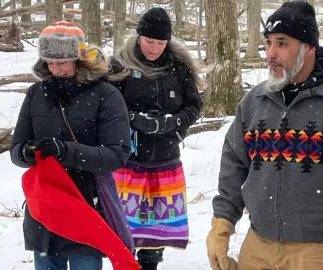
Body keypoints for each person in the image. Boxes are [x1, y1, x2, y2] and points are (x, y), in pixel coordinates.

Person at [206, 1, 323, 270]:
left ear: (309, 47)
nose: (270, 53)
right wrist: (222, 225)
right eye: (268, 42)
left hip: (321, 251)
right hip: (258, 244)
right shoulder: (255, 101)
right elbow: (233, 165)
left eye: (282, 43)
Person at [10, 20, 131, 270]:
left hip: (85, 208)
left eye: (62, 62)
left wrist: (66, 151)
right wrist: (28, 153)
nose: (56, 70)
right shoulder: (36, 94)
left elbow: (117, 154)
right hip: (44, 212)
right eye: (50, 63)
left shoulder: (106, 95)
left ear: (79, 59)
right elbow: (16, 150)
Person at [108, 7, 205, 270]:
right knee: (122, 225)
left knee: (156, 227)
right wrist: (133, 119)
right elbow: (106, 106)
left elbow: (194, 106)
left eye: (160, 43)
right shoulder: (120, 64)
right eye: (149, 41)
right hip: (128, 159)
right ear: (139, 36)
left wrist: (173, 123)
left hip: (165, 157)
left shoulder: (179, 67)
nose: (154, 48)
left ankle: (151, 265)